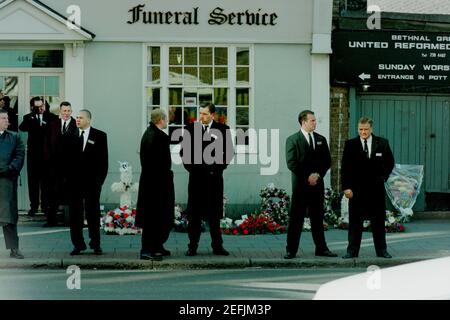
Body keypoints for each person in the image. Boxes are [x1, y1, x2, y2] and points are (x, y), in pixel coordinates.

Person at [180, 103, 233, 256]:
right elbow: (185, 154)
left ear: (212, 114)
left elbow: (228, 154)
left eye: (204, 114)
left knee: (214, 216)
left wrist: (214, 170)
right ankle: (192, 246)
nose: (201, 116)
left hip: (214, 180)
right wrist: (196, 170)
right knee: (194, 216)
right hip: (196, 180)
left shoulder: (223, 130)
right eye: (200, 113)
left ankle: (217, 246)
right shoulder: (191, 129)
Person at [284, 110, 337, 259]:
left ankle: (321, 248)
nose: (315, 123)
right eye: (312, 120)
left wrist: (317, 174)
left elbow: (327, 161)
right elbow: (291, 163)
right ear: (303, 122)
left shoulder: (321, 139)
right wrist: (308, 176)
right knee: (296, 219)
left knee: (317, 218)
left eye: (315, 120)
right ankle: (291, 250)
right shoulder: (293, 140)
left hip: (317, 186)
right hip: (301, 186)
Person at [341, 117, 395, 259]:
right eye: (360, 129)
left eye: (366, 129)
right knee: (355, 222)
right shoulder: (350, 144)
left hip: (376, 190)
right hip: (356, 190)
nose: (363, 132)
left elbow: (390, 162)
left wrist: (383, 177)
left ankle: (382, 251)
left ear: (371, 129)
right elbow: (345, 168)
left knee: (378, 222)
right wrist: (346, 187)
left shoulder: (382, 143)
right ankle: (352, 251)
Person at [67, 109, 108, 255]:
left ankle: (95, 243)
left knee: (93, 214)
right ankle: (78, 244)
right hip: (74, 184)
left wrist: (99, 182)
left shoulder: (100, 136)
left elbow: (104, 162)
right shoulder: (70, 135)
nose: (77, 120)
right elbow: (65, 161)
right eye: (77, 117)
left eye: (81, 118)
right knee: (75, 215)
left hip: (92, 183)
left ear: (89, 120)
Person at [135, 109, 174, 261]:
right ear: (160, 120)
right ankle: (147, 249)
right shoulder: (157, 137)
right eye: (166, 119)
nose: (167, 122)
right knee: (153, 217)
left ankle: (157, 246)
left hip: (152, 182)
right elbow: (157, 163)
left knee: (156, 216)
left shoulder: (149, 134)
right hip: (157, 184)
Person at [19, 96, 58, 216]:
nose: (40, 108)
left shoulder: (51, 117)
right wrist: (32, 117)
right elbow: (22, 127)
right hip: (33, 156)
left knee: (46, 182)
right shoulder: (28, 117)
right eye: (37, 106)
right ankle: (34, 206)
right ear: (33, 107)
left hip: (47, 155)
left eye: (42, 105)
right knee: (33, 182)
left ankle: (45, 206)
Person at [43, 101, 77, 227]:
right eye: (64, 111)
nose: (66, 113)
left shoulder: (76, 124)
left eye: (68, 111)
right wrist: (48, 162)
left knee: (72, 193)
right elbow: (46, 143)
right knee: (52, 193)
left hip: (70, 167)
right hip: (54, 166)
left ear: (71, 112)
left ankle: (73, 220)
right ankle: (51, 220)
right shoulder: (53, 125)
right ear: (60, 112)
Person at [0, 109, 25, 259]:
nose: (5, 120)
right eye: (2, 118)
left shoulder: (15, 137)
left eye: (6, 118)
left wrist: (9, 169)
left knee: (9, 217)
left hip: (7, 181)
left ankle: (14, 249)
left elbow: (20, 154)